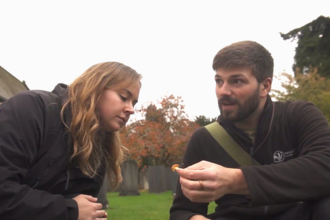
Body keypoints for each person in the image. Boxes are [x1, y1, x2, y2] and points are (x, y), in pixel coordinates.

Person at [169, 41, 330, 220]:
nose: (223, 91)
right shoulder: (205, 138)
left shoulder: (298, 115)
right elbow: (182, 211)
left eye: (236, 81)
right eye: (219, 81)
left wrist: (235, 180)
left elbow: (325, 167)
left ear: (265, 86)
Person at [0, 62, 141, 220]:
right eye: (124, 97)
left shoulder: (98, 150)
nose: (131, 109)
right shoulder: (31, 109)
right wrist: (69, 210)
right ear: (95, 88)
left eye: (133, 103)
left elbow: (80, 205)